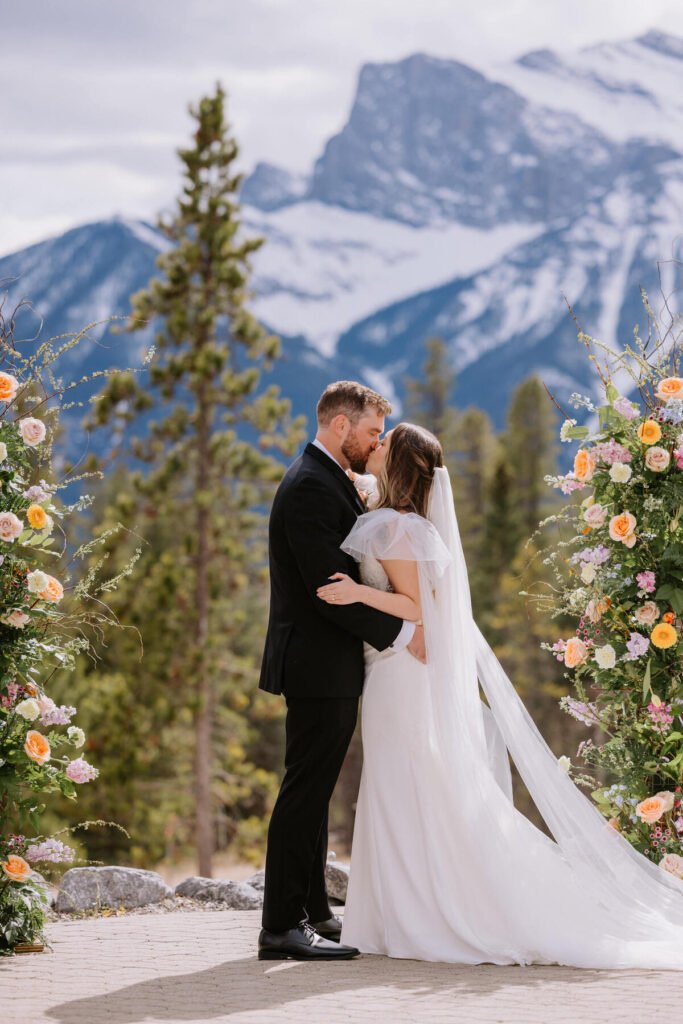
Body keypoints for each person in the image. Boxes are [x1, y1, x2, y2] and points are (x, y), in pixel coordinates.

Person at [317, 422, 683, 969]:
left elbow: (415, 607)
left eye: (385, 444)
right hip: (399, 670)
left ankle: (415, 914)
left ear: (396, 467)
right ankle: (400, 911)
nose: (376, 445)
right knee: (408, 783)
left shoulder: (395, 528)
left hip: (400, 673)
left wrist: (356, 592)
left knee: (403, 782)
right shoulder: (402, 521)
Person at [258, 382, 426, 961]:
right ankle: (280, 927)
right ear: (340, 427)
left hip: (326, 662)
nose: (376, 442)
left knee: (316, 788)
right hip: (316, 663)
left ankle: (314, 911)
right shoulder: (310, 486)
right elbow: (332, 592)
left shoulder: (327, 478)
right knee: (304, 791)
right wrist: (406, 635)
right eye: (373, 432)